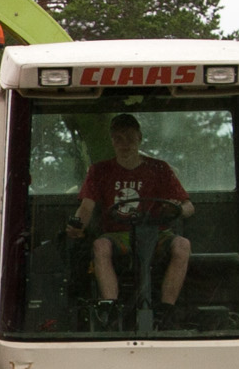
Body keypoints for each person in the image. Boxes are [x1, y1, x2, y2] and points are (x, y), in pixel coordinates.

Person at [67, 112, 194, 326]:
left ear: (140, 138)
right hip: (118, 235)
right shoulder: (99, 171)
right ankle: (110, 309)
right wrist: (77, 225)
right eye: (118, 139)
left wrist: (176, 211)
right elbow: (87, 206)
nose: (124, 144)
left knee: (182, 245)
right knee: (100, 246)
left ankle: (166, 311)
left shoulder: (159, 169)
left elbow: (188, 206)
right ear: (112, 141)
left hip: (157, 233)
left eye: (129, 138)